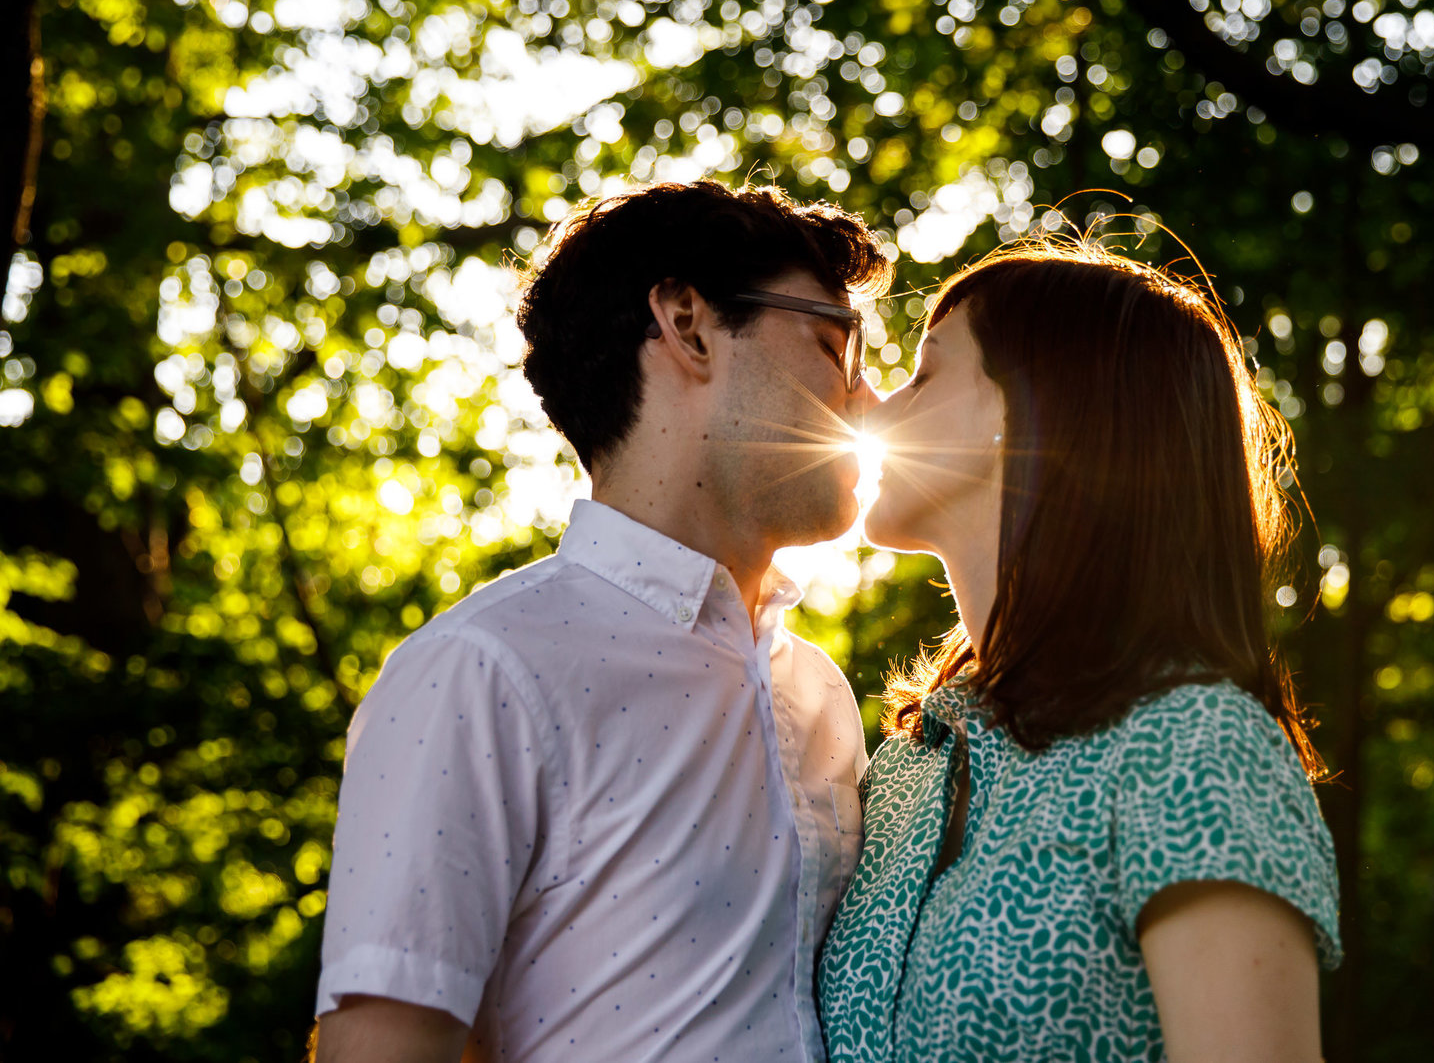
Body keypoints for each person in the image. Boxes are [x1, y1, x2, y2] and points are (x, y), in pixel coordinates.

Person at [311, 179, 892, 1062]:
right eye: (833, 344)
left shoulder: (819, 696)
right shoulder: (480, 671)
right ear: (688, 325)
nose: (868, 401)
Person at [818, 240, 1341, 1062]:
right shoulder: (905, 770)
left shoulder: (1193, 750)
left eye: (924, 374)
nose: (874, 410)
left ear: (1031, 411)